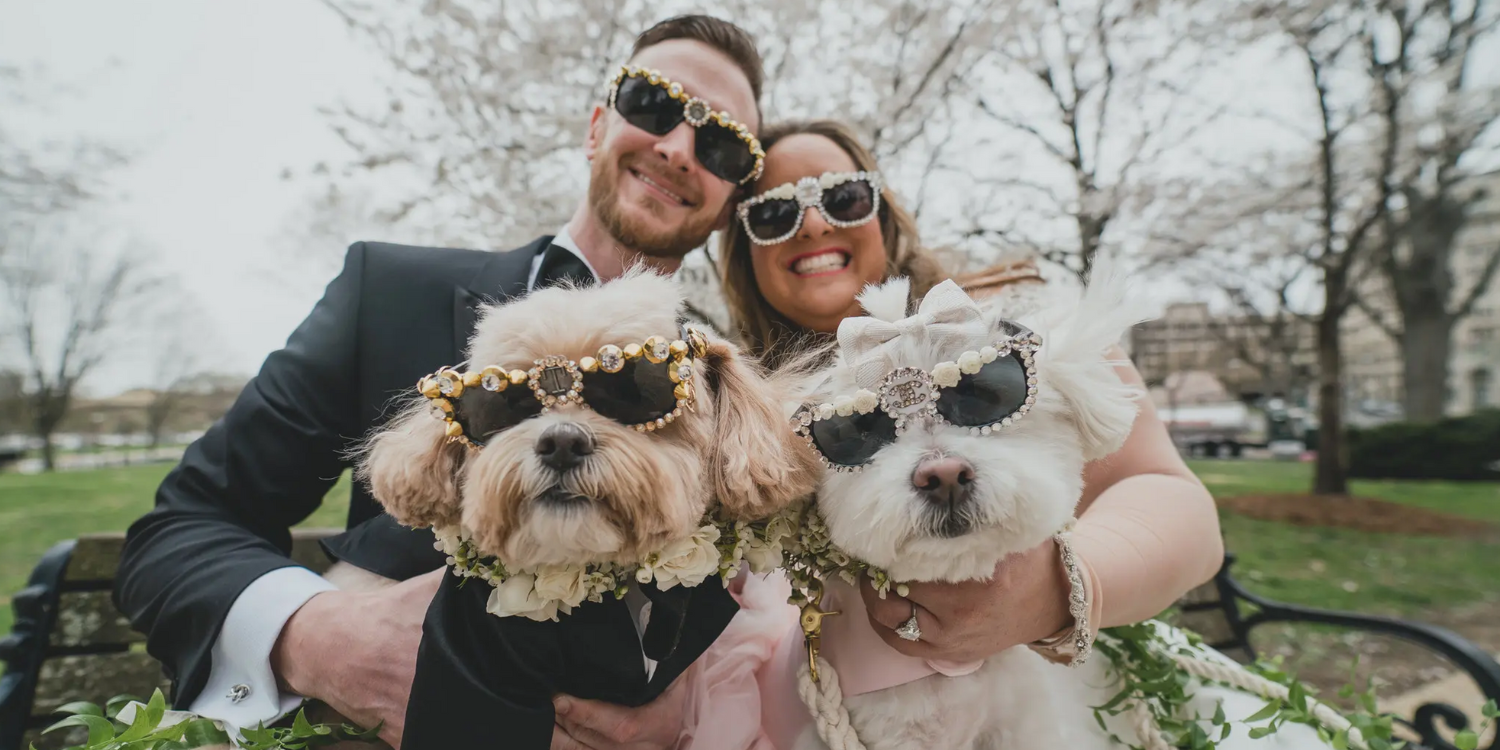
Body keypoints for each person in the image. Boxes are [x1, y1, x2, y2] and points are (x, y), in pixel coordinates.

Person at [114, 15, 769, 750]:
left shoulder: (728, 387)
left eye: (719, 144)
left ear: (733, 194)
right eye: (652, 104)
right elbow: (179, 532)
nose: (678, 148)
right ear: (595, 126)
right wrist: (327, 642)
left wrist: (697, 711)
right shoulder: (387, 292)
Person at [717, 119, 1225, 671]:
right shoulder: (737, 417)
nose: (814, 223)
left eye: (845, 197)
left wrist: (1056, 593)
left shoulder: (1019, 332)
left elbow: (1175, 503)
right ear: (744, 251)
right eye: (773, 214)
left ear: (883, 214)